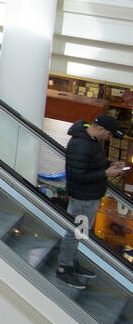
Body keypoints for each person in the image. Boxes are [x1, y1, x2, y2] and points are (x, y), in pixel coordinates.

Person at [57, 115, 128, 288]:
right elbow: (77, 176)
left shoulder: (91, 140)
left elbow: (93, 163)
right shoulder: (80, 145)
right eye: (109, 134)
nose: (108, 137)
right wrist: (106, 174)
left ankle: (72, 263)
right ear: (101, 129)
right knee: (75, 234)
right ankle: (63, 268)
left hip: (89, 197)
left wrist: (110, 164)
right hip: (82, 198)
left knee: (80, 233)